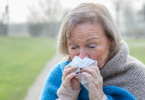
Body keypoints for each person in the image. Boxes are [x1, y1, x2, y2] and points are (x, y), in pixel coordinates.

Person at [40, 3, 145, 100]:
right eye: (74, 47)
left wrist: (100, 97)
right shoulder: (59, 75)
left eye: (91, 46)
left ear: (111, 41)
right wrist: (67, 96)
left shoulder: (137, 76)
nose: (81, 57)